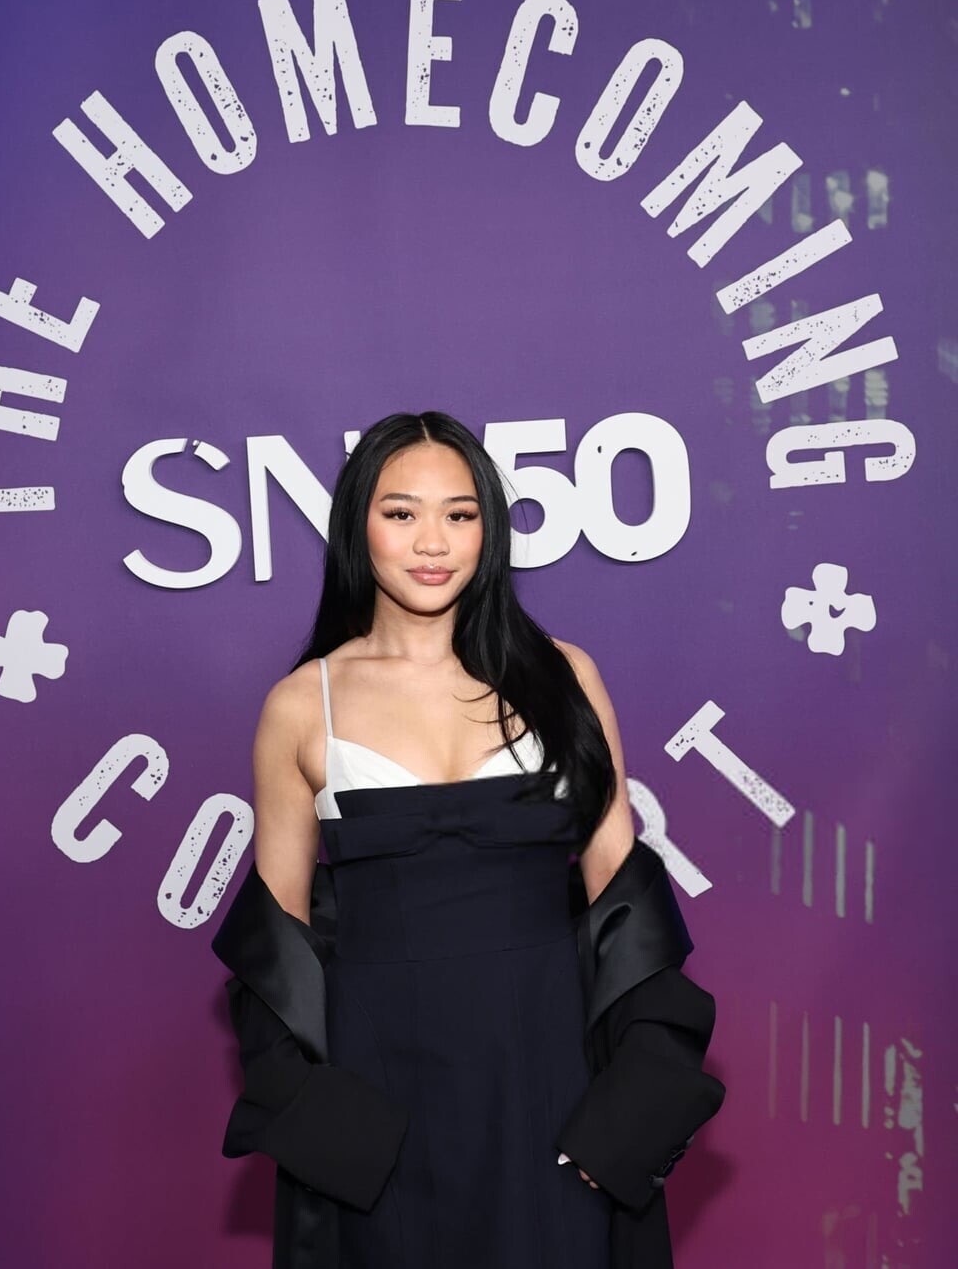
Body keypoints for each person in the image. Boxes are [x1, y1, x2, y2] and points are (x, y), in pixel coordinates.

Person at [210, 411, 726, 1269]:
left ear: (489, 529)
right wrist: (333, 1132)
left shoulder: (565, 675)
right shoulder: (303, 704)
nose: (432, 542)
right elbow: (276, 954)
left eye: (460, 514)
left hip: (552, 1084)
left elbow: (627, 905)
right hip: (379, 1102)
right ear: (357, 526)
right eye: (401, 513)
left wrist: (630, 1112)